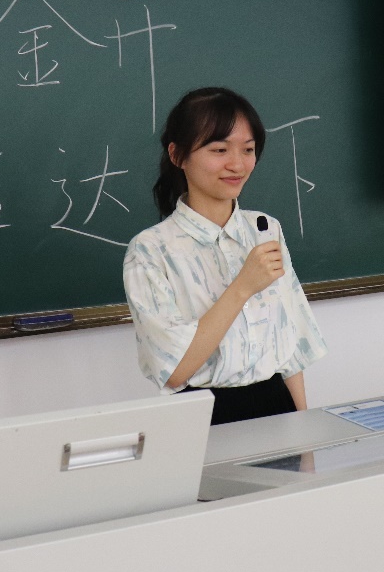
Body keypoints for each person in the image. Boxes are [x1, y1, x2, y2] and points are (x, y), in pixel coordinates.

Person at [122, 87, 327, 425]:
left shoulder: (265, 229)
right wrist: (243, 287)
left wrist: (303, 432)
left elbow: (292, 347)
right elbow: (174, 371)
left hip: (277, 406)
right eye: (219, 149)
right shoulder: (151, 250)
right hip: (205, 415)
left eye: (248, 149)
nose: (237, 164)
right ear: (178, 155)